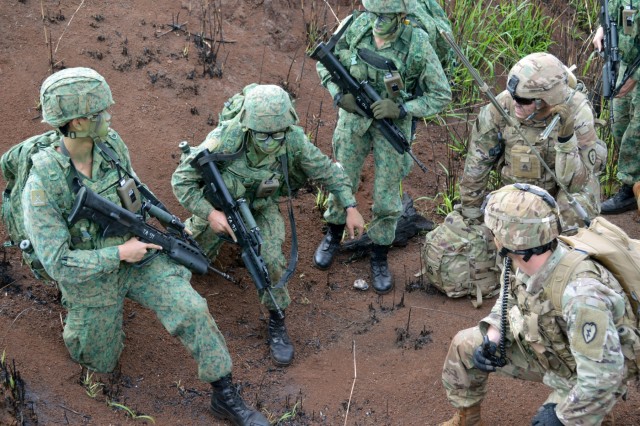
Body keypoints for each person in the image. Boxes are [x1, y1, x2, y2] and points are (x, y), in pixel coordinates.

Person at [22, 67, 268, 426]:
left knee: (192, 307)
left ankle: (224, 394)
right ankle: (84, 315)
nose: (108, 116)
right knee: (98, 362)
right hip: (92, 271)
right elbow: (58, 263)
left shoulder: (111, 145)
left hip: (139, 252)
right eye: (99, 113)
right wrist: (119, 255)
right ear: (76, 122)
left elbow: (135, 187)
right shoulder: (43, 184)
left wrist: (165, 227)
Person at [171, 84, 365, 367]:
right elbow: (181, 180)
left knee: (271, 260)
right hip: (221, 209)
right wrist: (210, 214)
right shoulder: (225, 138)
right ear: (249, 128)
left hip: (262, 208)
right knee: (192, 258)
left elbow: (326, 170)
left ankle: (277, 317)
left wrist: (350, 206)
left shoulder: (294, 139)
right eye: (264, 135)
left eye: (278, 134)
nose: (272, 141)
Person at [439, 183, 639, 426]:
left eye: (494, 231)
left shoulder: (582, 295)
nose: (492, 237)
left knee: (559, 419)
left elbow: (605, 378)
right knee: (466, 345)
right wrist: (493, 335)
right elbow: (509, 298)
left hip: (588, 371)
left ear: (508, 239)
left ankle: (596, 416)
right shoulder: (521, 258)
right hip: (551, 348)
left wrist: (561, 418)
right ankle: (467, 419)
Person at [313, 0, 452, 294]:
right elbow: (324, 64)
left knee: (388, 193)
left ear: (401, 16)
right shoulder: (355, 25)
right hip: (353, 120)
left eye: (385, 16)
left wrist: (401, 109)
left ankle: (379, 254)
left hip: (392, 125)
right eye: (374, 13)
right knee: (342, 177)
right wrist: (340, 96)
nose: (377, 21)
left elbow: (441, 94)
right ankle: (333, 232)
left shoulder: (417, 42)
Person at [459, 52, 605, 232]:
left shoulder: (578, 113)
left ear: (548, 99)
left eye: (523, 100)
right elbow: (477, 165)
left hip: (563, 192)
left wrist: (566, 139)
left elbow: (577, 183)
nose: (515, 103)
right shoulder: (501, 107)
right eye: (514, 96)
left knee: (573, 216)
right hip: (519, 190)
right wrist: (472, 218)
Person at [593, 5, 640, 214]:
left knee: (636, 133)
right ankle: (634, 185)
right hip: (625, 63)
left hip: (636, 70)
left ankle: (630, 190)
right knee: (619, 125)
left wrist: (635, 77)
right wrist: (602, 28)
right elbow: (613, 12)